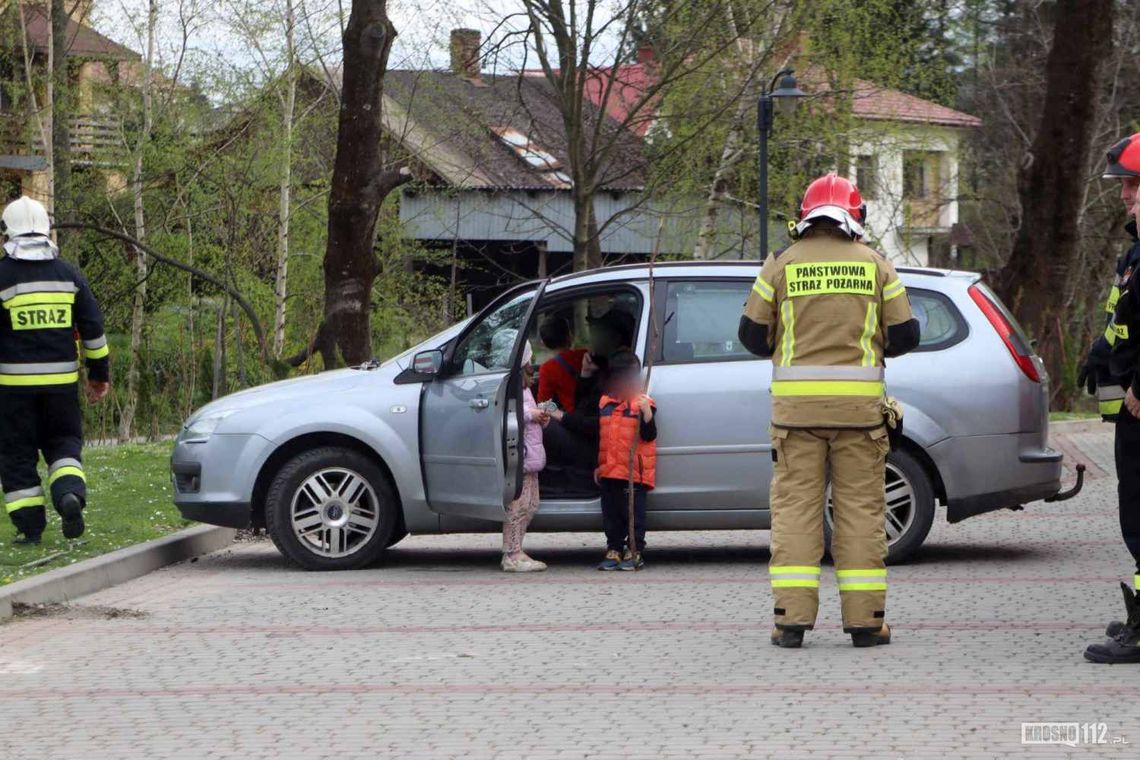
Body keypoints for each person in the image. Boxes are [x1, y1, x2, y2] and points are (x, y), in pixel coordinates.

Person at [738, 173, 919, 649]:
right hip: (860, 418)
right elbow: (905, 337)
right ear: (854, 218)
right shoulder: (877, 266)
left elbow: (752, 337)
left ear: (805, 216)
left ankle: (790, 622)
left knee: (796, 514)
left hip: (796, 419)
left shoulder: (780, 264)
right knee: (860, 513)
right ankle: (865, 622)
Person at [0, 196, 111, 545]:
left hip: (11, 390)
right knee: (63, 445)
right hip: (61, 388)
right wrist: (98, 376)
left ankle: (31, 528)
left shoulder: (1, 277)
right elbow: (94, 331)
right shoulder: (69, 276)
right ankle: (69, 496)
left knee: (17, 454)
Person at [1084, 133, 1140, 663]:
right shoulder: (1135, 251)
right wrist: (1100, 354)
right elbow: (1127, 321)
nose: (1124, 194)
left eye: (1133, 183)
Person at [594, 350, 657, 571]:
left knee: (633, 512)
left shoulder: (642, 402)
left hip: (633, 473)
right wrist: (600, 466)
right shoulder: (605, 403)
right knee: (611, 513)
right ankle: (614, 548)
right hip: (610, 470)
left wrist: (647, 413)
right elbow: (602, 438)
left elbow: (649, 435)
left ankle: (635, 548)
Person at [501, 341, 550, 572]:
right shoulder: (511, 387)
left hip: (531, 455)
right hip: (521, 455)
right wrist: (532, 414)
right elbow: (511, 412)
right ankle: (511, 553)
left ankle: (518, 548)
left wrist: (540, 415)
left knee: (531, 504)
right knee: (518, 505)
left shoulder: (525, 387)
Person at [537, 315, 586, 412]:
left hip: (573, 418)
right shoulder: (585, 355)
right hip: (599, 413)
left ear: (545, 344)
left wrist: (560, 414)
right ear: (569, 336)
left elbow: (543, 404)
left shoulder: (547, 368)